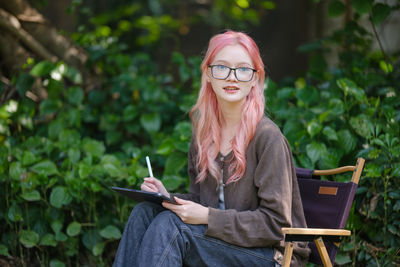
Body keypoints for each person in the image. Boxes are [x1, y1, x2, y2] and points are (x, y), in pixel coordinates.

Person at [113, 30, 310, 267]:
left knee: (171, 228)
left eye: (243, 69)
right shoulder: (204, 136)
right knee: (145, 212)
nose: (232, 77)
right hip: (221, 245)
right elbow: (202, 201)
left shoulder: (268, 138)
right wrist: (168, 197)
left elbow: (275, 224)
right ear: (208, 74)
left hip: (271, 255)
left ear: (256, 78)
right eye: (222, 68)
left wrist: (207, 217)